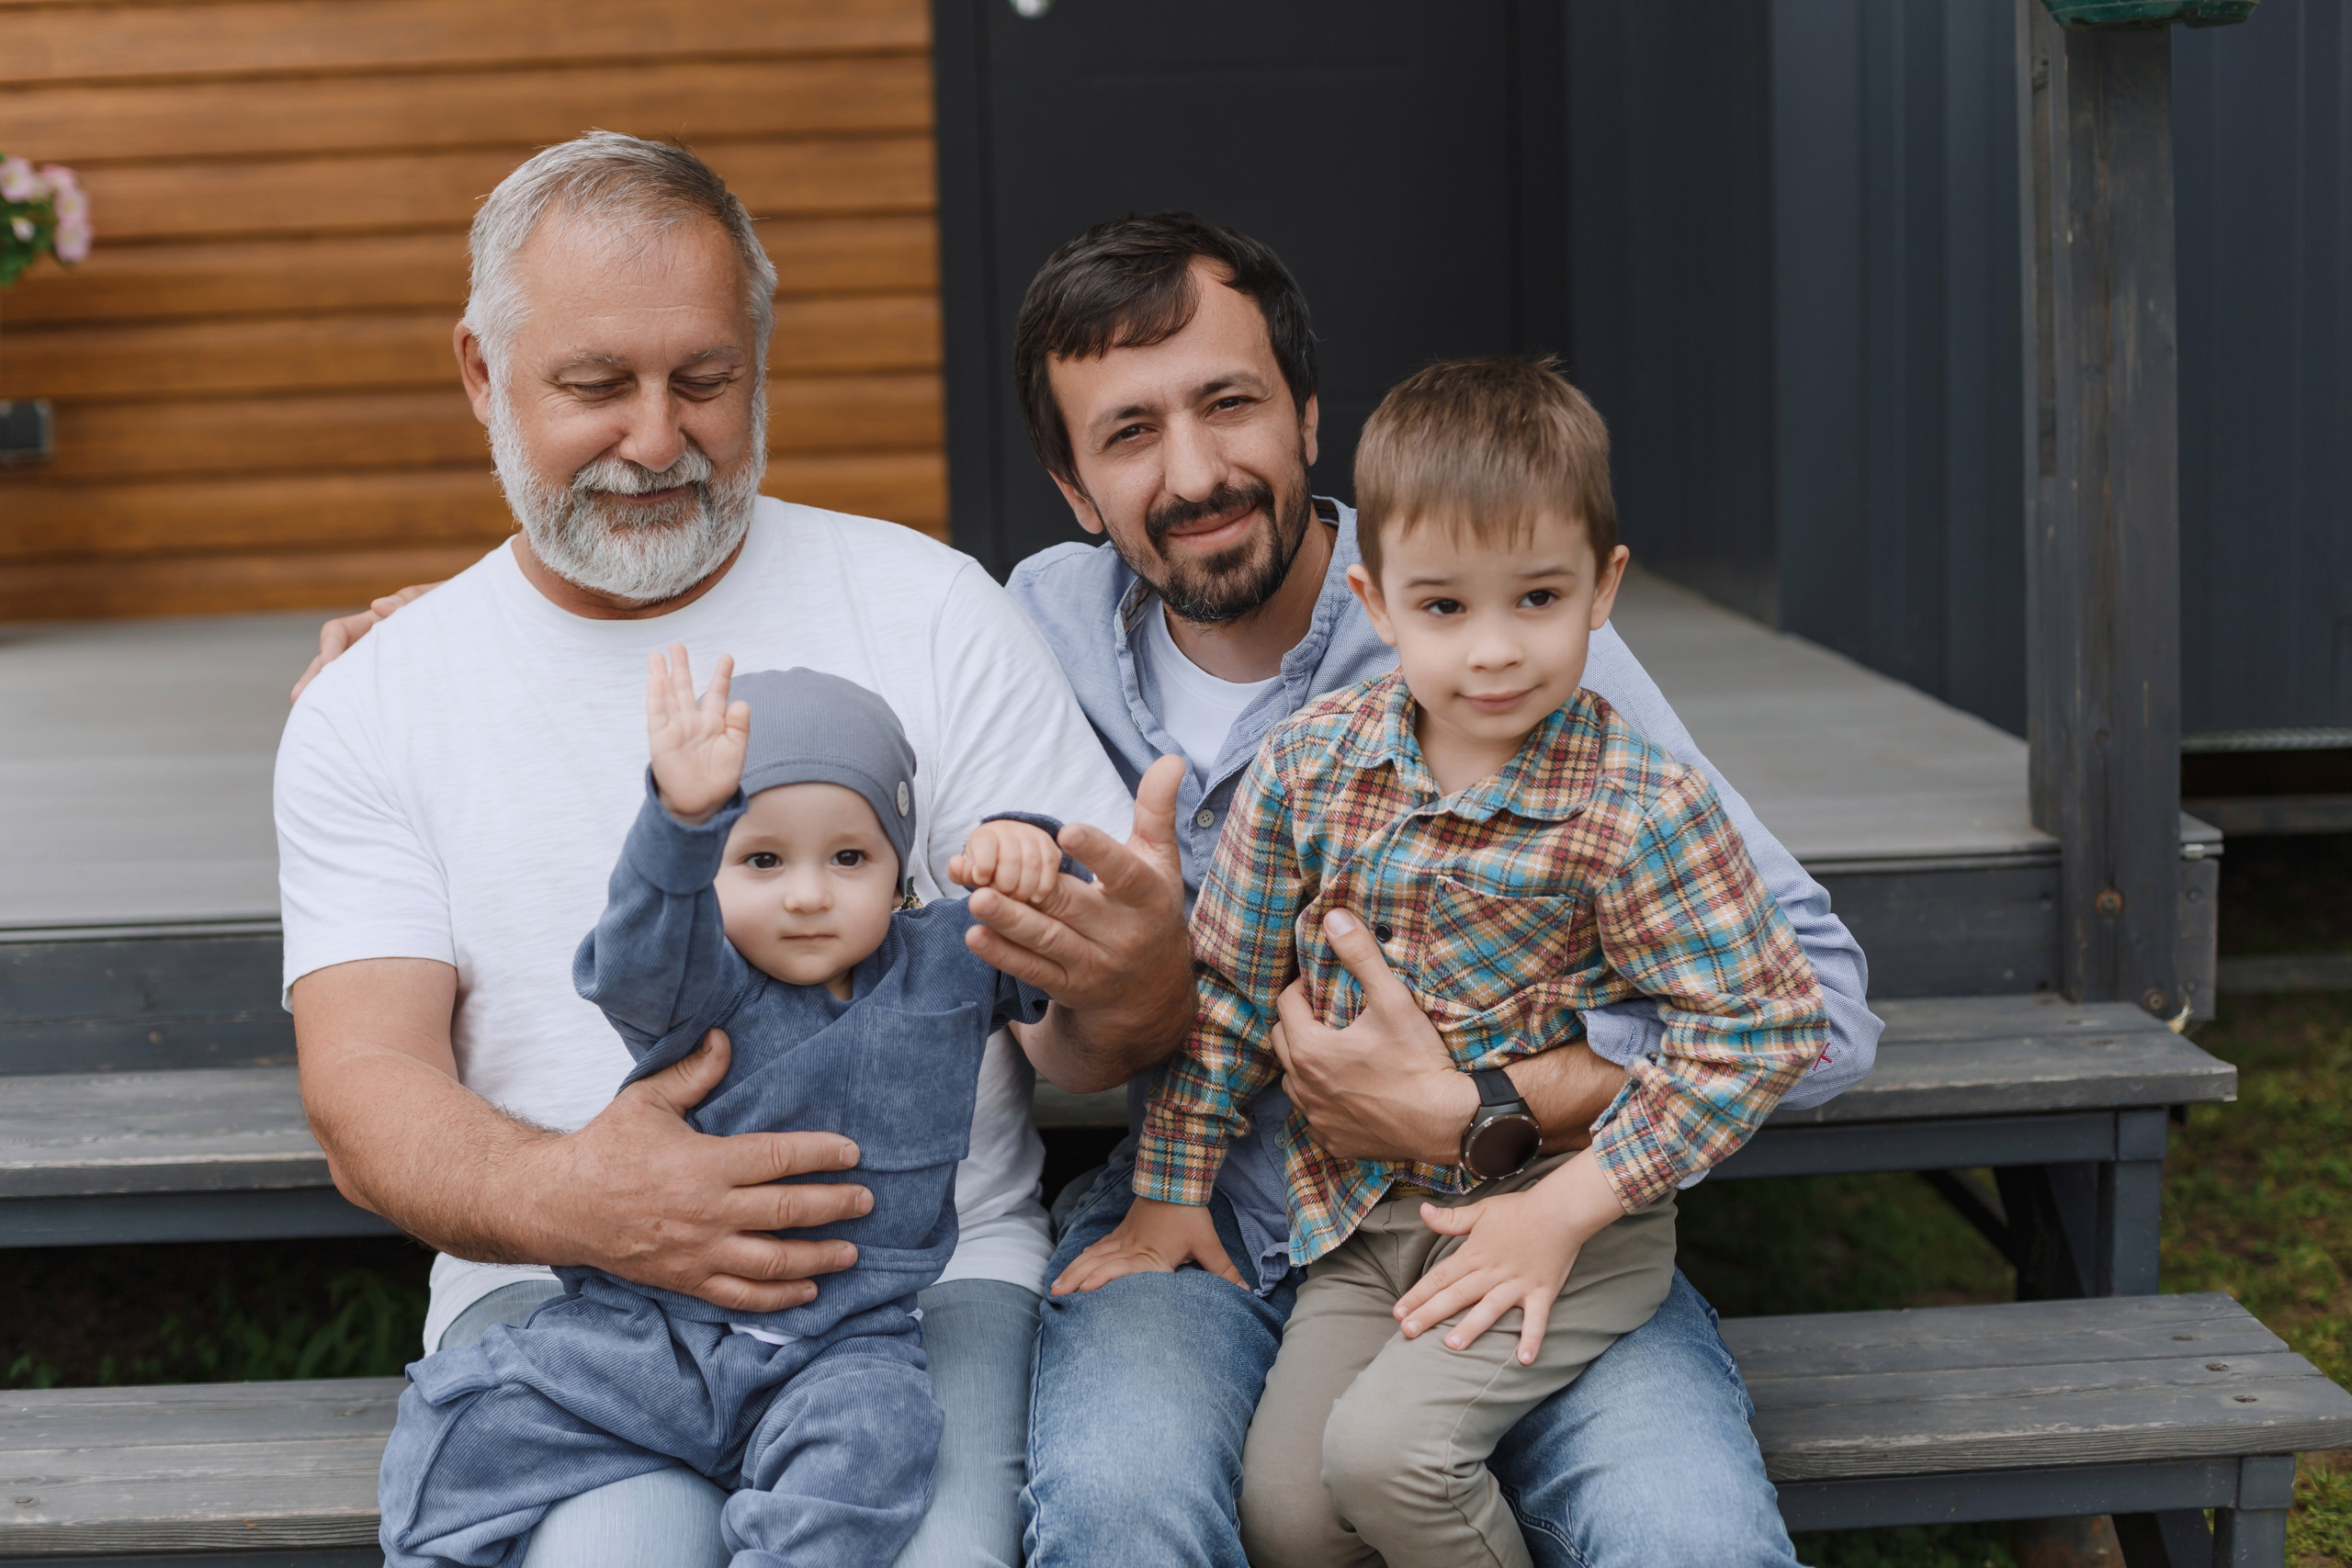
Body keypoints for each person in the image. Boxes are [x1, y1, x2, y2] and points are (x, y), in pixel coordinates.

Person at [303, 209, 1883, 1565]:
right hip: (1204, 1220)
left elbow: (1816, 1005)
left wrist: (1485, 1104)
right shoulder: (1038, 624)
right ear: (1072, 491)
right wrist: (447, 629)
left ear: (1308, 414)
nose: (1195, 471)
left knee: (1686, 1531)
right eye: (1131, 435)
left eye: (1229, 404)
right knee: (1122, 1508)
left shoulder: (1508, 645)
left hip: (1529, 1208)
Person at [277, 133, 1191, 1568]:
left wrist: (1132, 983)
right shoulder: (383, 696)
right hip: (566, 1294)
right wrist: (577, 1195)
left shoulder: (927, 606)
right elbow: (363, 1078)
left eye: (703, 380)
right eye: (597, 386)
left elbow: (1084, 1043)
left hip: (915, 1289)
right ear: (481, 373)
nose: (656, 438)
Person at [1057, 357, 1829, 1568]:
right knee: (1295, 1510)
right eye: (1445, 606)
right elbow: (1228, 989)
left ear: (1603, 588)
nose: (1494, 651)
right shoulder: (1313, 769)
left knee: (1384, 1456)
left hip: (1572, 1219)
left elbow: (1772, 1022)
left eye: (1537, 598)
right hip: (1363, 1220)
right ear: (1373, 600)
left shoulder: (1640, 803)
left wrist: (1570, 1202)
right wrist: (1171, 1183)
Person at [376, 655, 1080, 1567]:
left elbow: (1072, 944)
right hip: (652, 1332)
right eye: (760, 858)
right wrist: (678, 825)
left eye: (849, 858)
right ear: (712, 869)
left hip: (840, 1347)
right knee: (475, 1414)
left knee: (879, 1446)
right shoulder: (697, 980)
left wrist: (1031, 853)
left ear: (899, 869)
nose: (806, 893)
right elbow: (636, 946)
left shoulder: (948, 961)